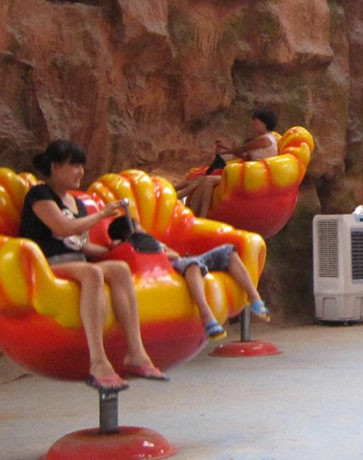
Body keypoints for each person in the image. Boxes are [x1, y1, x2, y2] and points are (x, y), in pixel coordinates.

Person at [19, 140, 167, 391]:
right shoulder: (40, 194)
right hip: (46, 265)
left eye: (81, 166)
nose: (80, 172)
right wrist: (101, 215)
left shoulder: (77, 203)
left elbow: (80, 245)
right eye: (74, 165)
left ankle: (136, 353)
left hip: (75, 262)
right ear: (55, 167)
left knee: (119, 268)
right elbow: (62, 228)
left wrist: (115, 248)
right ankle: (98, 362)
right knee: (93, 272)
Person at [107, 216, 271, 334]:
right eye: (139, 226)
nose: (143, 228)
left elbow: (174, 254)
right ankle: (207, 316)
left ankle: (254, 297)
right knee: (192, 265)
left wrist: (165, 250)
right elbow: (168, 257)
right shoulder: (129, 246)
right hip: (170, 268)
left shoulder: (149, 240)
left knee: (227, 251)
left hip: (182, 260)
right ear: (130, 230)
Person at [175, 107, 279, 218]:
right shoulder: (266, 138)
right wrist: (225, 148)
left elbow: (242, 149)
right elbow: (246, 156)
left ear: (265, 123)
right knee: (201, 179)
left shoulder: (264, 139)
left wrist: (225, 150)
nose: (253, 125)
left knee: (207, 180)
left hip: (252, 177)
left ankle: (192, 209)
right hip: (249, 173)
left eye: (256, 123)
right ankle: (181, 198)